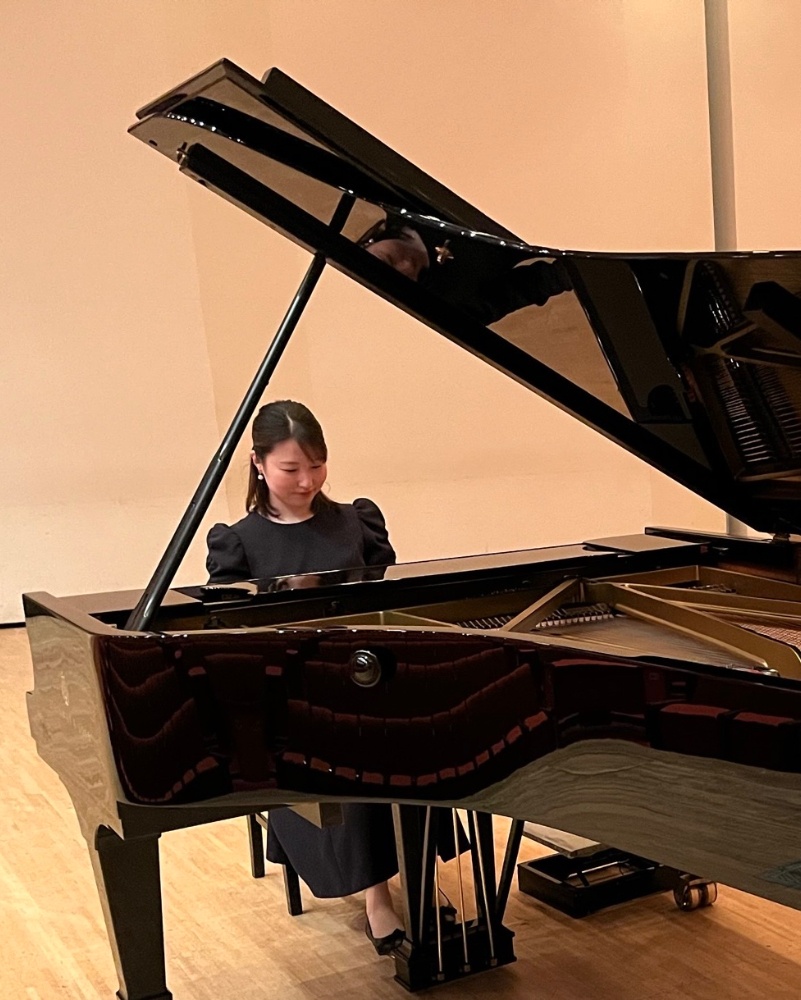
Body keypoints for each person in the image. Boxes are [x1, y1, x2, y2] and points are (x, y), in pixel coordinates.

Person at [206, 399, 406, 954]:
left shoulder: (356, 520)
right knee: (348, 748)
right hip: (289, 699)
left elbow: (383, 605)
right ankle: (378, 897)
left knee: (421, 734)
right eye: (291, 468)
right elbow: (234, 638)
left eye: (316, 466)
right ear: (258, 463)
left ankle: (413, 870)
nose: (307, 481)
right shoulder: (238, 542)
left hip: (362, 675)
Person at [359, 211, 573, 324]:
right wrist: (575, 266)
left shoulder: (398, 196)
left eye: (387, 260)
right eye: (402, 282)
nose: (406, 265)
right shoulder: (450, 306)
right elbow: (536, 285)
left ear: (366, 244)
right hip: (562, 227)